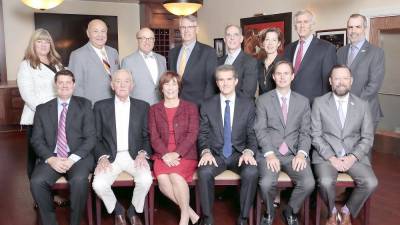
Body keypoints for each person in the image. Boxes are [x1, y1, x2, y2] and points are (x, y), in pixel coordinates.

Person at [311, 65, 378, 225]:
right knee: (326, 182)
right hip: (326, 156)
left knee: (371, 182)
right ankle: (332, 212)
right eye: (337, 78)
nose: (341, 82)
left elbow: (367, 137)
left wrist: (353, 157)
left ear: (351, 81)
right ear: (330, 81)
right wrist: (331, 157)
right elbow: (315, 135)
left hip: (354, 156)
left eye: (345, 78)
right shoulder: (319, 103)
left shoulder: (362, 105)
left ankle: (346, 211)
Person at [30, 69, 96, 225]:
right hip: (53, 157)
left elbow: (91, 138)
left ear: (74, 85)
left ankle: (75, 221)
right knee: (37, 182)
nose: (64, 86)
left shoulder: (85, 105)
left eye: (68, 82)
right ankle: (50, 222)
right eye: (61, 82)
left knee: (79, 180)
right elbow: (36, 140)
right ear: (55, 85)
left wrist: (72, 159)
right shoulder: (42, 109)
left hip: (78, 157)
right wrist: (51, 159)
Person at [254, 61, 315, 225]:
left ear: (292, 76)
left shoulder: (303, 101)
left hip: (293, 154)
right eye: (278, 74)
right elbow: (260, 129)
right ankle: (269, 211)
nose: (282, 77)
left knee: (308, 183)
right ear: (273, 77)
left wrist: (302, 154)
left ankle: (290, 210)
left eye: (286, 73)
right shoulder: (263, 100)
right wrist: (269, 154)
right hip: (270, 153)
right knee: (266, 183)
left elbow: (305, 132)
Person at [197, 65, 258, 225]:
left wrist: (249, 152)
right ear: (217, 83)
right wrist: (205, 152)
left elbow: (252, 134)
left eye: (229, 79)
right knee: (203, 172)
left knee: (251, 172)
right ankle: (208, 219)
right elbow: (202, 134)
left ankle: (243, 218)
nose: (225, 83)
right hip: (216, 154)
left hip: (239, 153)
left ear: (236, 81)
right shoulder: (207, 104)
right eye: (221, 80)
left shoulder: (248, 104)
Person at [92, 69, 152, 225]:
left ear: (132, 85)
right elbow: (95, 138)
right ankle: (118, 210)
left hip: (134, 155)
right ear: (112, 85)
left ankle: (132, 211)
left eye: (126, 81)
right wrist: (102, 157)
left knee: (146, 179)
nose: (122, 85)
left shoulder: (143, 106)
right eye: (118, 81)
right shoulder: (100, 106)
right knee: (98, 184)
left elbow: (147, 136)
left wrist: (142, 153)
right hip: (110, 156)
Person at [148, 71, 200, 225]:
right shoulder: (154, 109)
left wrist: (177, 153)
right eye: (166, 84)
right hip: (161, 154)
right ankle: (191, 213)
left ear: (179, 87)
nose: (170, 88)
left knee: (176, 176)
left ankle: (184, 217)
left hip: (186, 153)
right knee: (163, 180)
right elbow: (154, 136)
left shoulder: (191, 107)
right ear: (161, 88)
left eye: (174, 84)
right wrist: (165, 154)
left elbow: (192, 134)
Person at [17, 28, 63, 180]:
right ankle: (38, 194)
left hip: (59, 115)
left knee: (54, 154)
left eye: (47, 41)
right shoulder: (26, 65)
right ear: (33, 44)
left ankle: (55, 190)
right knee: (36, 155)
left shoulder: (57, 63)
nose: (44, 45)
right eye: (39, 41)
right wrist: (47, 113)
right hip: (37, 117)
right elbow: (27, 94)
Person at [337, 14, 385, 130]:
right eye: (350, 27)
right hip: (341, 112)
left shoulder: (376, 53)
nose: (353, 31)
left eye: (357, 27)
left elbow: (374, 85)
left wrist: (350, 104)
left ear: (365, 28)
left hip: (365, 111)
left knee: (362, 148)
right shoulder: (340, 51)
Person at [284, 10, 336, 103]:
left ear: (312, 25)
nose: (302, 25)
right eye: (299, 22)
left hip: (313, 105)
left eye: (306, 22)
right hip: (290, 104)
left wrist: (323, 107)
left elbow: (328, 83)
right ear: (295, 26)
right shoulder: (289, 48)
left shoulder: (327, 48)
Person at [168, 15, 218, 105]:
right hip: (175, 104)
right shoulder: (172, 53)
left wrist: (205, 108)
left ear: (197, 29)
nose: (186, 30)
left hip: (198, 107)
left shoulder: (208, 52)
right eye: (183, 27)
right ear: (180, 29)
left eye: (190, 27)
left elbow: (211, 84)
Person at [69, 19, 120, 105]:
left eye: (103, 31)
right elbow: (76, 86)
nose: (100, 35)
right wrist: (84, 108)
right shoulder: (77, 55)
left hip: (115, 104)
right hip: (92, 106)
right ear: (88, 33)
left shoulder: (113, 52)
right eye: (95, 31)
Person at [121, 27, 167, 105]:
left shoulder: (162, 59)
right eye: (143, 38)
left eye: (150, 38)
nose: (147, 41)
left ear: (154, 40)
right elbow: (124, 88)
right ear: (138, 40)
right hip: (139, 107)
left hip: (160, 106)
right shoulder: (127, 61)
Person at [218, 25, 258, 98]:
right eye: (228, 35)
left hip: (241, 107)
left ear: (241, 39)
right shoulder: (219, 61)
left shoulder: (250, 61)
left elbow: (248, 93)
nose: (232, 38)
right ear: (224, 39)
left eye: (236, 35)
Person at [257, 28, 285, 95]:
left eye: (274, 40)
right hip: (261, 103)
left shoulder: (284, 64)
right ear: (263, 43)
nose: (270, 43)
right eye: (267, 40)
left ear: (278, 43)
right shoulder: (258, 64)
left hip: (277, 104)